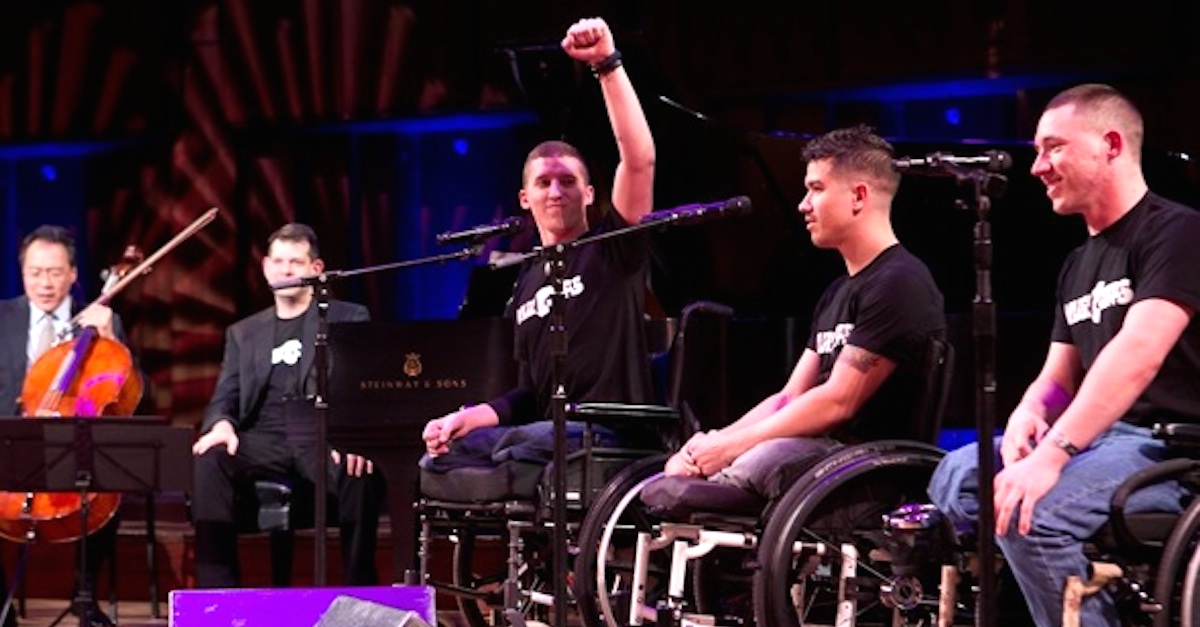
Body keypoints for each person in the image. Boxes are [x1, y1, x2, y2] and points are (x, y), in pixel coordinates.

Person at [928, 83, 1200, 626]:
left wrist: (1053, 453)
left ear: (1111, 145)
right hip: (1099, 444)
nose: (1037, 167)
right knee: (955, 476)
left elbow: (1139, 352)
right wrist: (1031, 413)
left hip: (1171, 450)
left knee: (1032, 512)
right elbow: (1058, 377)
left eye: (1053, 147)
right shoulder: (1079, 262)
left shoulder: (1179, 232)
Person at [645, 125, 946, 506]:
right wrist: (715, 442)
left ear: (859, 196)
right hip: (817, 455)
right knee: (691, 473)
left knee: (757, 461)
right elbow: (789, 397)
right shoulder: (838, 292)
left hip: (863, 467)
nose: (803, 203)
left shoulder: (900, 283)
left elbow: (839, 401)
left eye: (816, 189)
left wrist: (731, 451)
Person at [421, 16, 658, 474]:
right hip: (545, 434)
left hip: (607, 431)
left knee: (513, 449)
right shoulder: (526, 280)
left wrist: (607, 65)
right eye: (544, 182)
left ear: (589, 194)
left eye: (568, 181)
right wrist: (468, 417)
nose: (556, 191)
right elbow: (530, 393)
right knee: (440, 459)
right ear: (524, 199)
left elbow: (640, 159)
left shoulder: (615, 247)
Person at [191, 223, 384, 587]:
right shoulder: (243, 332)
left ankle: (360, 589)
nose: (285, 270)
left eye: (295, 262)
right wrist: (221, 424)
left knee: (359, 471)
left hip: (321, 435)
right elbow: (224, 397)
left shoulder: (347, 317)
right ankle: (216, 592)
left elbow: (362, 388)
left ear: (316, 269)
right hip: (263, 438)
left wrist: (355, 437)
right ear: (265, 267)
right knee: (209, 458)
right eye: (278, 261)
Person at [0, 225, 129, 627]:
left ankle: (84, 595)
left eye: (55, 272)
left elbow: (129, 392)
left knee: (110, 482)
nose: (44, 283)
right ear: (22, 273)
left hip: (74, 445)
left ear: (73, 274)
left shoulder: (99, 320)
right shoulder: (1, 318)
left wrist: (108, 337)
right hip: (9, 439)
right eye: (35, 272)